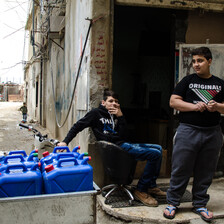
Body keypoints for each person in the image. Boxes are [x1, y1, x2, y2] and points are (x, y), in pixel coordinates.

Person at [58, 89, 166, 206]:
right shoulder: (95, 114)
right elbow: (77, 126)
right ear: (103, 102)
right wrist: (65, 141)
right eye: (110, 101)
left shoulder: (117, 115)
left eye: (116, 101)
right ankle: (141, 189)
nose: (114, 103)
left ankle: (151, 186)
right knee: (155, 154)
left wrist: (120, 117)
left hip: (124, 144)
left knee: (158, 148)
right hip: (115, 149)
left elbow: (125, 135)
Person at [163, 47, 224, 222]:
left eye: (200, 61)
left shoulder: (220, 83)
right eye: (194, 61)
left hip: (213, 133)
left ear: (209, 61)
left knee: (206, 170)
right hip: (188, 130)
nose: (196, 64)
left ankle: (200, 204)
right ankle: (173, 202)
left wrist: (217, 107)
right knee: (180, 168)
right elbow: (173, 101)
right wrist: (195, 107)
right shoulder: (188, 81)